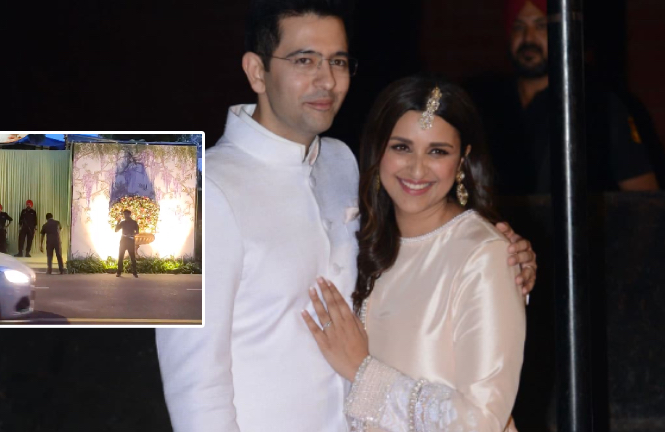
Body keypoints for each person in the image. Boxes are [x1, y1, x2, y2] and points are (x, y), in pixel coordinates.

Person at [156, 1, 537, 431]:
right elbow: (194, 386)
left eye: (337, 61)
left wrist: (508, 263)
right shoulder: (193, 192)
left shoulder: (341, 165)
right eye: (305, 60)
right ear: (256, 71)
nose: (327, 80)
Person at [302, 76, 525, 432]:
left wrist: (363, 372)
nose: (417, 169)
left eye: (438, 151)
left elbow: (480, 421)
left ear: (463, 159)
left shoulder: (484, 255)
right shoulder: (364, 238)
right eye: (402, 148)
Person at [466, 0, 659, 194]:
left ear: (562, 31)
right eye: (519, 27)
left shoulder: (598, 105)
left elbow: (643, 198)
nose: (528, 38)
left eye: (541, 26)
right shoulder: (489, 103)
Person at [115, 209, 139, 278]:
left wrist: (131, 234)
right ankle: (119, 272)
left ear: (129, 214)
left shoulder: (134, 222)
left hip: (130, 241)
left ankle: (135, 273)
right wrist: (118, 222)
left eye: (126, 214)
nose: (125, 216)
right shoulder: (122, 223)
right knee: (120, 257)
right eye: (124, 214)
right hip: (123, 241)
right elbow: (116, 230)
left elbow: (137, 232)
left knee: (132, 257)